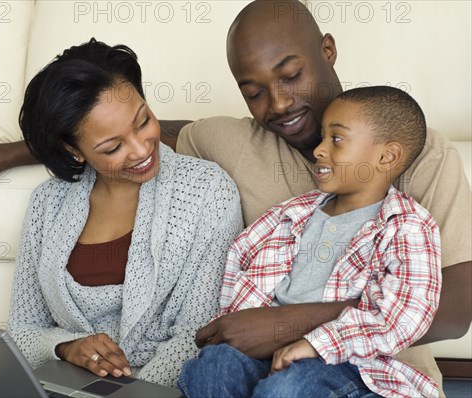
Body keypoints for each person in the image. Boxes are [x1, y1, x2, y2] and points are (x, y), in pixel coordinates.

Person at [0, 0, 471, 392]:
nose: (279, 104)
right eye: (253, 91)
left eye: (291, 74)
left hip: (371, 372)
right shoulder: (230, 141)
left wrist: (285, 322)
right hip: (261, 370)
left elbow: (455, 311)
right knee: (207, 372)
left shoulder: (415, 151)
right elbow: (124, 133)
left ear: (327, 50)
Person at [6, 38, 243, 388]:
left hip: (158, 388)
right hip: (63, 387)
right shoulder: (48, 203)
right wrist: (66, 347)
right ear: (74, 150)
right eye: (113, 146)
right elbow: (23, 330)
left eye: (143, 120)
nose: (141, 149)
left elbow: (199, 332)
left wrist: (134, 394)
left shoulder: (207, 191)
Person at [178, 86, 442, 398]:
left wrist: (316, 344)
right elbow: (241, 262)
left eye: (337, 139)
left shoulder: (407, 226)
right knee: (212, 366)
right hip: (266, 355)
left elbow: (401, 318)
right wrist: (238, 325)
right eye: (322, 138)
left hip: (351, 366)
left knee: (287, 388)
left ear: (386, 156)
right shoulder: (292, 213)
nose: (319, 150)